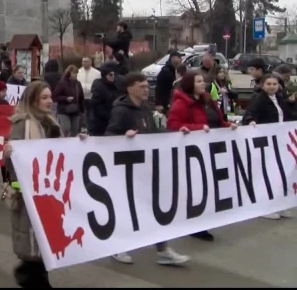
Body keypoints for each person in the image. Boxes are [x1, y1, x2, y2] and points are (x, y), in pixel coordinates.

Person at [105, 73, 190, 266]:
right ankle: (117, 246)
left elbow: (153, 133)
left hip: (145, 167)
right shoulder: (121, 111)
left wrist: (176, 133)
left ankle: (162, 250)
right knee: (127, 209)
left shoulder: (144, 109)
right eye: (142, 86)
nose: (146, 89)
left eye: (146, 86)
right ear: (130, 88)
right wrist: (123, 136)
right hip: (126, 169)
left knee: (154, 208)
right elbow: (109, 135)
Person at [2, 81, 66, 288]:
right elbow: (12, 165)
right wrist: (9, 155)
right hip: (28, 197)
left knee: (42, 251)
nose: (50, 101)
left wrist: (79, 143)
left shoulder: (50, 123)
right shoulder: (22, 124)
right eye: (45, 97)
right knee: (33, 253)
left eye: (50, 97)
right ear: (33, 100)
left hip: (49, 194)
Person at [166, 71, 236, 241]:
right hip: (193, 153)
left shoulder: (208, 101)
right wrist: (197, 128)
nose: (202, 84)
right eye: (198, 81)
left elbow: (218, 122)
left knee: (212, 187)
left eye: (203, 81)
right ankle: (195, 225)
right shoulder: (181, 104)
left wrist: (229, 125)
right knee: (198, 188)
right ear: (190, 84)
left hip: (213, 149)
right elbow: (173, 125)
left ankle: (204, 220)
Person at [242, 73, 293, 220]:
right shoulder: (259, 100)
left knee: (280, 174)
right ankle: (263, 207)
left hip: (280, 142)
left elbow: (288, 116)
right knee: (267, 175)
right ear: (263, 85)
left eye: (274, 84)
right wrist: (251, 121)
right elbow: (249, 114)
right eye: (268, 84)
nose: (272, 87)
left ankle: (279, 204)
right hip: (265, 143)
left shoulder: (280, 100)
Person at [53, 65, 85, 137]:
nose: (76, 75)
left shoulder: (78, 84)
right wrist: (66, 98)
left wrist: (82, 111)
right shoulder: (62, 83)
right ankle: (63, 143)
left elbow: (81, 97)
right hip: (64, 110)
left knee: (75, 130)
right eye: (74, 73)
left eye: (76, 73)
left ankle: (72, 146)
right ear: (69, 73)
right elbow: (55, 96)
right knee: (66, 128)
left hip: (75, 110)